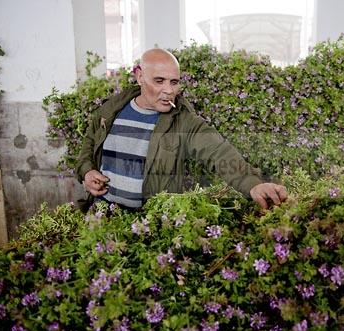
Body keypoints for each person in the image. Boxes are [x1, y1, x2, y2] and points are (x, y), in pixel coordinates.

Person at [76, 48, 287, 211]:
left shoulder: (183, 122)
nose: (169, 91)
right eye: (159, 81)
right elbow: (89, 143)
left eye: (174, 82)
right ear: (140, 76)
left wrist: (253, 185)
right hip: (103, 214)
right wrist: (87, 172)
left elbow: (218, 152)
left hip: (149, 225)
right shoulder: (112, 109)